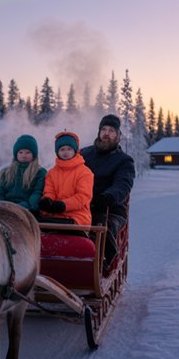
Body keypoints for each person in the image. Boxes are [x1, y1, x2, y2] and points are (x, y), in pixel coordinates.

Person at [80, 114, 135, 268]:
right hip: (80, 205)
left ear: (118, 135)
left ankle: (101, 267)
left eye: (111, 130)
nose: (106, 133)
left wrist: (108, 197)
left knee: (101, 226)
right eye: (103, 129)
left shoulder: (124, 161)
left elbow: (123, 185)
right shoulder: (84, 154)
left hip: (110, 209)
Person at [38, 131, 93, 226]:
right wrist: (48, 200)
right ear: (57, 152)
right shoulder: (52, 173)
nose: (66, 152)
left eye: (69, 149)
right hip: (55, 215)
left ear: (75, 151)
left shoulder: (85, 172)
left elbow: (83, 196)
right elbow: (49, 191)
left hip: (77, 217)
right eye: (62, 149)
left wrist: (64, 205)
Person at [0, 134, 46, 212]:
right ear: (16, 154)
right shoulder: (6, 172)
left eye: (28, 152)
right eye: (20, 152)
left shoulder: (40, 173)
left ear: (33, 154)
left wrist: (23, 206)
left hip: (27, 209)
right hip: (4, 208)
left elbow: (37, 193)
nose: (24, 155)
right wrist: (0, 205)